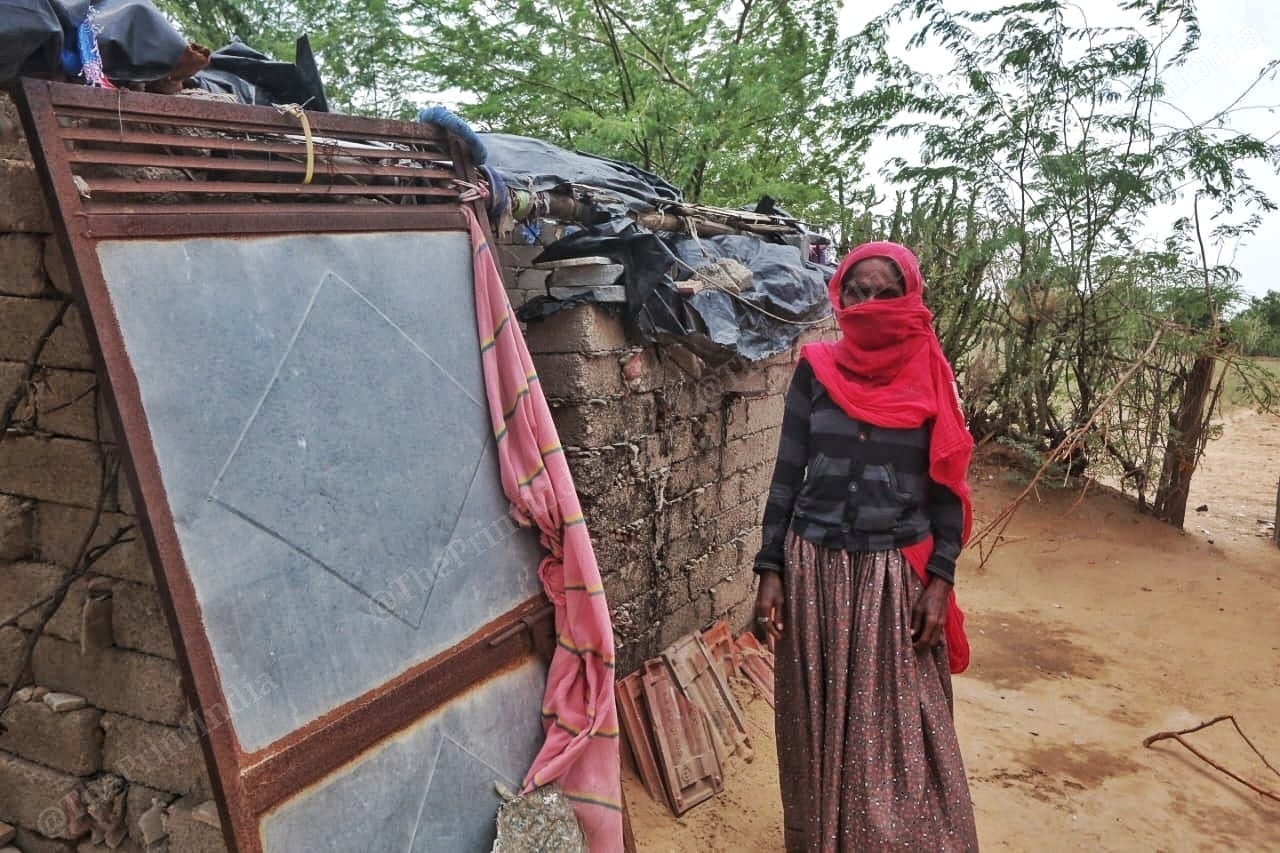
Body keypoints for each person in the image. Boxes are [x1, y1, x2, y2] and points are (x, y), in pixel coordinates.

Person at [753, 241, 979, 851]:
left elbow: (948, 489)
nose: (869, 304)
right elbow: (786, 472)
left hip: (890, 578)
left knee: (907, 731)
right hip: (814, 569)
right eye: (857, 291)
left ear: (908, 297)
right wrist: (769, 566)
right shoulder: (815, 369)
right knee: (817, 719)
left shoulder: (932, 375)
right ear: (839, 295)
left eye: (885, 292)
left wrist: (940, 580)